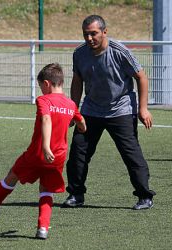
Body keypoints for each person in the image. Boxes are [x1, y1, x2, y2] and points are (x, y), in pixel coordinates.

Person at [0, 63, 86, 240]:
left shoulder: (43, 100)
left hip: (37, 153)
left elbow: (46, 118)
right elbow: (82, 125)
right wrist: (78, 125)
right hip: (58, 156)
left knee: (12, 176)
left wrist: (45, 146)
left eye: (41, 87)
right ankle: (43, 228)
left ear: (46, 83)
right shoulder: (70, 104)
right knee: (46, 190)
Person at [62, 15, 156, 210]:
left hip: (120, 110)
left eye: (93, 33)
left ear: (104, 32)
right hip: (91, 110)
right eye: (86, 34)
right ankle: (76, 194)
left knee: (131, 154)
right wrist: (74, 109)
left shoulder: (119, 51)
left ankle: (144, 196)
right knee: (79, 152)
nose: (89, 38)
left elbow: (141, 76)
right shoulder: (79, 53)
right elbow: (77, 80)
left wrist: (143, 108)